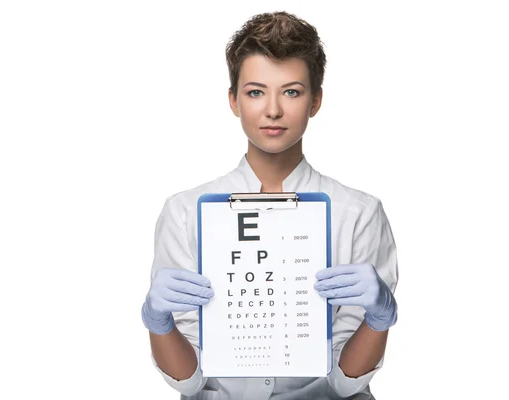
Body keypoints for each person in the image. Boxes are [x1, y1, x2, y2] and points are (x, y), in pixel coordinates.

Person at [141, 11, 399, 400]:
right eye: (256, 91)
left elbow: (346, 383)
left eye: (292, 91)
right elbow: (190, 380)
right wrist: (158, 323)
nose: (273, 110)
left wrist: (379, 319)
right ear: (233, 100)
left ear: (315, 101)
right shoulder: (185, 212)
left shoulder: (358, 213)